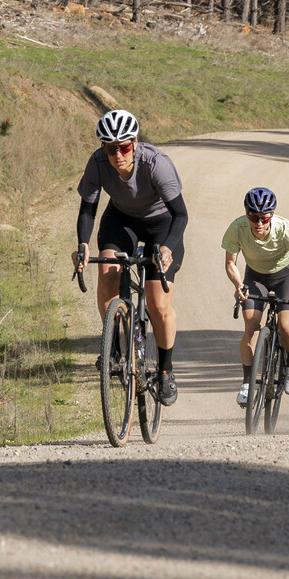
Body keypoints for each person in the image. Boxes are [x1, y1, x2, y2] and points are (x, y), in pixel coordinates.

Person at [71, 109, 185, 406]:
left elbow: (180, 214)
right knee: (108, 272)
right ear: (103, 148)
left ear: (134, 142)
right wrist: (82, 245)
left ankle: (166, 370)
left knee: (158, 301)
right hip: (120, 220)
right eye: (111, 148)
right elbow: (88, 209)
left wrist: (168, 247)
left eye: (124, 147)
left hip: (162, 223)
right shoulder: (98, 163)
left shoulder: (156, 164)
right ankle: (113, 346)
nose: (118, 154)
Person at [221, 186, 289, 403]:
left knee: (287, 328)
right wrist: (238, 285)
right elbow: (230, 263)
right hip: (255, 276)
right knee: (251, 327)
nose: (259, 223)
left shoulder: (286, 229)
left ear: (271, 215)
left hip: (285, 276)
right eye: (253, 217)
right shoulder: (237, 228)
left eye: (264, 217)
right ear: (247, 214)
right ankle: (247, 383)